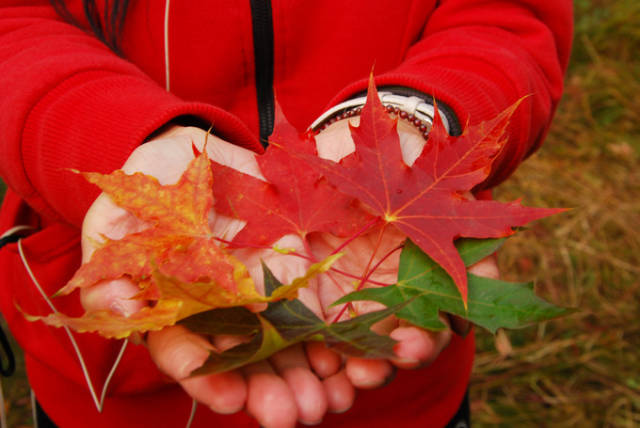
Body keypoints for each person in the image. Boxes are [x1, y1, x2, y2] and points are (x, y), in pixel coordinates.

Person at [0, 1, 572, 427]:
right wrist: (114, 139)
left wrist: (415, 114)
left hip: (399, 388)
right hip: (111, 394)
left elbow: (508, 15)